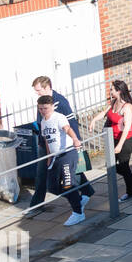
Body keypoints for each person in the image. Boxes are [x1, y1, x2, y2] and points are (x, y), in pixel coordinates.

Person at [28, 76, 89, 207]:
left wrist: (75, 140)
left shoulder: (60, 102)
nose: (37, 93)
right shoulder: (42, 102)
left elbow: (71, 122)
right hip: (46, 143)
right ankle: (36, 204)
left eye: (38, 90)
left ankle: (83, 195)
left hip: (62, 145)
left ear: (47, 87)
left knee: (72, 172)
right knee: (42, 174)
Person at [37, 95, 90, 225]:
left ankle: (78, 213)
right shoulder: (43, 122)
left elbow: (67, 128)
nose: (43, 111)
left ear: (52, 107)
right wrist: (49, 158)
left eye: (46, 108)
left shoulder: (59, 117)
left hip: (67, 153)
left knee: (68, 184)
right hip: (55, 157)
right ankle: (77, 199)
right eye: (41, 109)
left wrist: (75, 139)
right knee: (53, 187)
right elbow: (47, 140)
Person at [92, 80, 132, 200]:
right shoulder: (113, 102)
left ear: (118, 91)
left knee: (123, 166)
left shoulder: (127, 107)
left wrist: (120, 145)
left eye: (112, 89)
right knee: (110, 164)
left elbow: (127, 126)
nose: (110, 91)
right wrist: (93, 120)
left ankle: (130, 192)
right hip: (113, 138)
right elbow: (104, 113)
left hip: (126, 140)